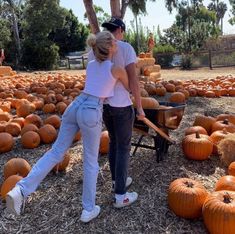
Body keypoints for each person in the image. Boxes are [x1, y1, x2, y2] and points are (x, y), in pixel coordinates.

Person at [6, 31, 129, 223]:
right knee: (90, 161)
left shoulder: (90, 65)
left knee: (55, 152)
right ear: (111, 47)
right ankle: (88, 209)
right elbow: (128, 86)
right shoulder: (117, 69)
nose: (118, 44)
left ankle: (20, 189)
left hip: (75, 105)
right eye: (115, 42)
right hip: (91, 110)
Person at [88, 17, 145, 208]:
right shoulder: (125, 48)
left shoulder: (94, 50)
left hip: (103, 105)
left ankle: (116, 182)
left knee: (114, 142)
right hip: (121, 106)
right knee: (123, 148)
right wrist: (139, 107)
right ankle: (121, 195)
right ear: (120, 30)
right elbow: (133, 82)